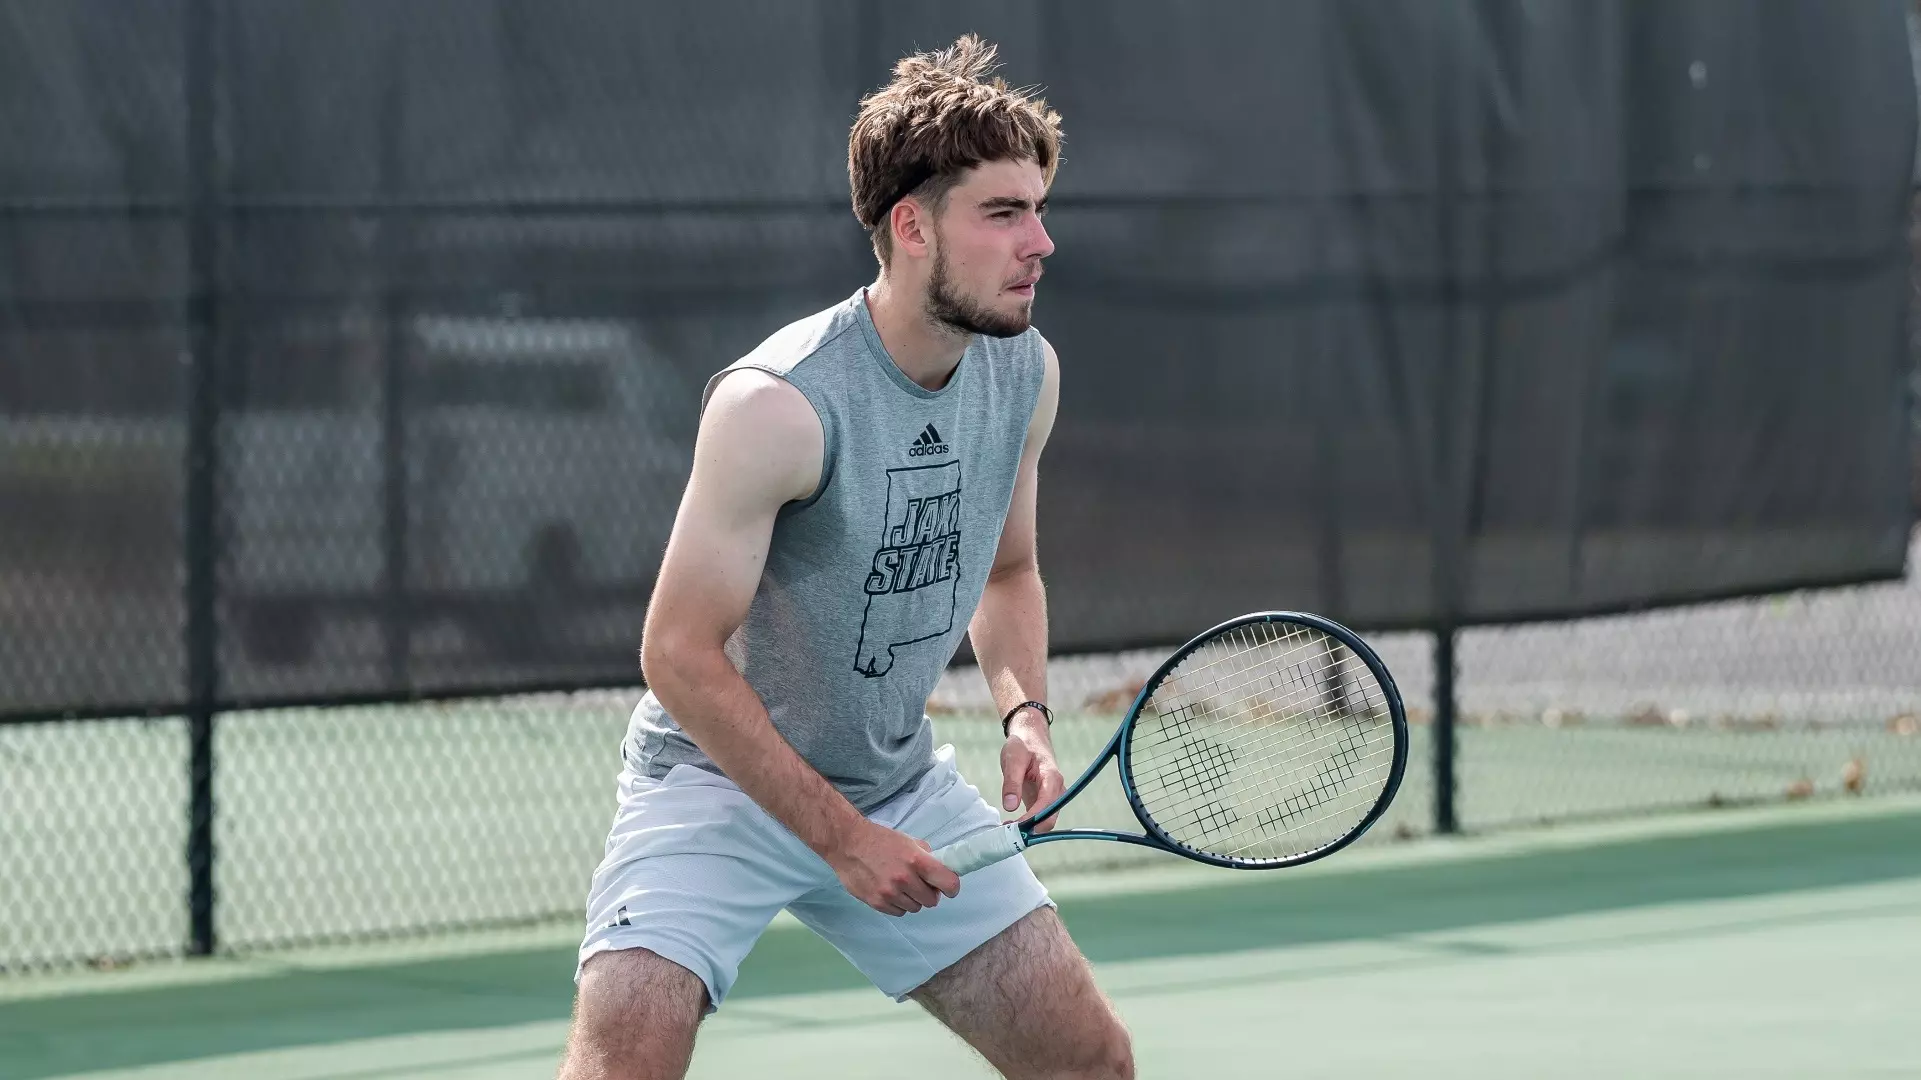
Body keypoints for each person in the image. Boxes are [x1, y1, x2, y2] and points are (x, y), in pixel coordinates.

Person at [554, 33, 1133, 1080]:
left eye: (1039, 209)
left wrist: (1025, 714)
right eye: (1003, 213)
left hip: (895, 784)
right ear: (912, 226)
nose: (1039, 241)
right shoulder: (777, 406)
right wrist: (839, 839)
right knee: (623, 1065)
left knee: (1088, 1064)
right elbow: (678, 655)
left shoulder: (1023, 374)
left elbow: (1006, 572)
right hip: (713, 785)